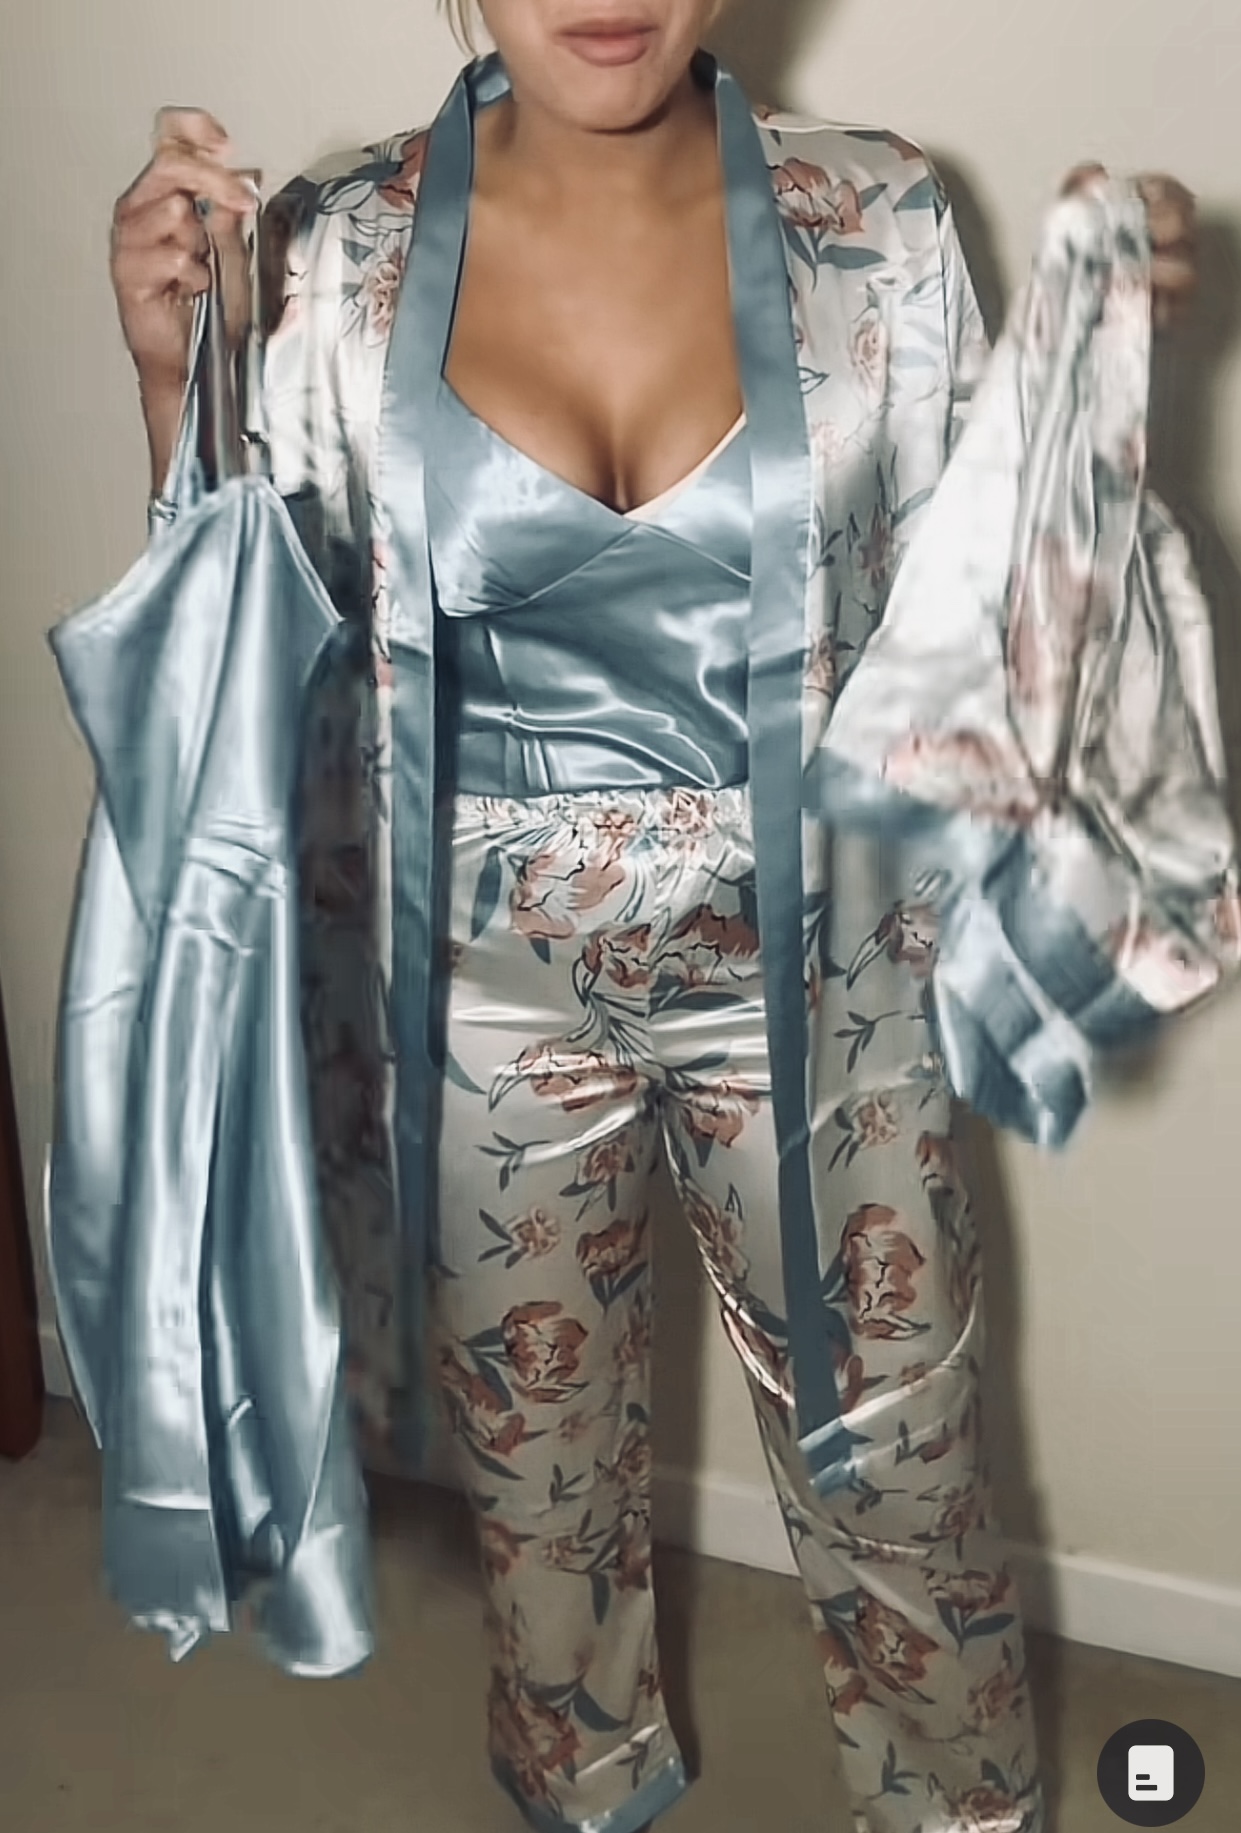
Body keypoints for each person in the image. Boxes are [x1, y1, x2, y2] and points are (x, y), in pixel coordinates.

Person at [107, 4, 1198, 1831]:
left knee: (904, 1469)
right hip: (472, 1000)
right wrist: (172, 380)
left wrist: (1082, 407)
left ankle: (961, 1809)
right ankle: (586, 1786)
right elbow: (241, 657)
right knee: (540, 1493)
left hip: (822, 980)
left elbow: (1000, 646)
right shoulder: (330, 246)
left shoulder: (882, 220)